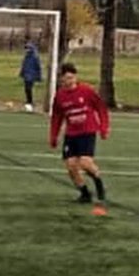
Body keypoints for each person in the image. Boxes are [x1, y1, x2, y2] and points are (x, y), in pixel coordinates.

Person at [48, 62, 110, 204]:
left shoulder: (87, 91)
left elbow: (101, 109)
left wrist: (104, 127)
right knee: (71, 166)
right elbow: (57, 118)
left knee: (85, 163)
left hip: (87, 132)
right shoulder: (60, 96)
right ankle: (85, 193)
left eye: (70, 78)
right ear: (61, 80)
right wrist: (53, 136)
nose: (68, 82)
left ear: (75, 77)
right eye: (65, 80)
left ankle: (99, 183)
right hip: (71, 134)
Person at [19, 41, 42, 112]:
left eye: (28, 48)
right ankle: (29, 100)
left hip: (31, 75)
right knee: (26, 89)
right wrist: (22, 73)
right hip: (26, 75)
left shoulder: (35, 57)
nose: (27, 50)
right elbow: (24, 65)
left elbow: (38, 67)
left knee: (29, 88)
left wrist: (39, 76)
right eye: (26, 48)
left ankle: (30, 101)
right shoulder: (26, 57)